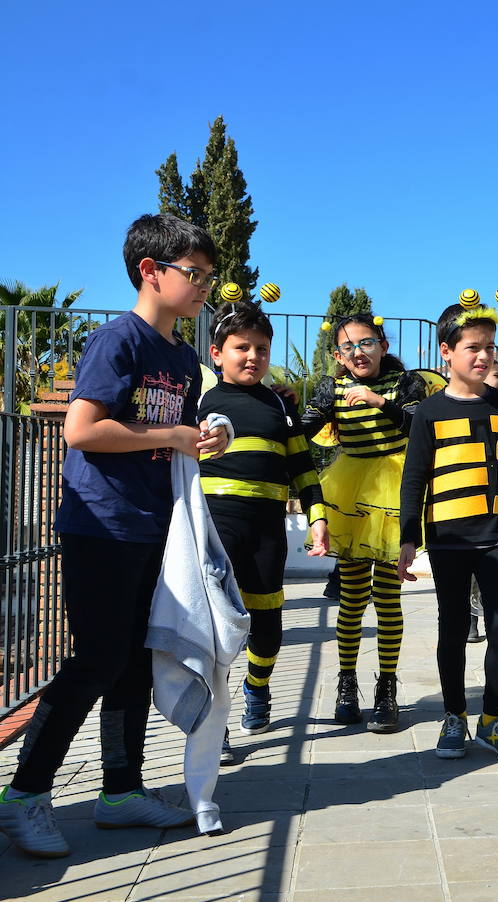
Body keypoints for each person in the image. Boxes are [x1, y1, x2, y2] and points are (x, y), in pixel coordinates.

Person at [0, 214, 230, 858]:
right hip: (101, 524)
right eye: (194, 273)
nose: (204, 284)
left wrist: (206, 438)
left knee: (131, 658)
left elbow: (179, 437)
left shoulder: (184, 357)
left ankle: (120, 791)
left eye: (209, 275)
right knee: (98, 659)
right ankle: (23, 795)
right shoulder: (117, 341)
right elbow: (82, 430)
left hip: (156, 526)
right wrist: (171, 435)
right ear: (150, 272)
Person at [398, 305, 498, 763]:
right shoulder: (428, 412)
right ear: (447, 352)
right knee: (453, 626)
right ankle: (454, 717)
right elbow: (414, 477)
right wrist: (408, 538)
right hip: (448, 538)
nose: (483, 357)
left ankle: (493, 719)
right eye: (472, 348)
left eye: (488, 348)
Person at [198, 301, 329, 751]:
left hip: (267, 531)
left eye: (261, 348)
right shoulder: (200, 399)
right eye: (241, 347)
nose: (252, 356)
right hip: (216, 528)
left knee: (267, 624)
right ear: (217, 353)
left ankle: (257, 687)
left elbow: (303, 467)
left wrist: (318, 518)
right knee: (218, 630)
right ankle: (218, 723)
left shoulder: (279, 403)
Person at [301, 314, 429, 733]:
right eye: (348, 346)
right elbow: (305, 428)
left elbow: (419, 426)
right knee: (353, 599)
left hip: (394, 492)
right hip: (350, 493)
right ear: (337, 354)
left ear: (382, 345)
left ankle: (387, 688)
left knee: (388, 597)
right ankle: (346, 682)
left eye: (366, 343)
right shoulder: (330, 387)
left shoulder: (406, 383)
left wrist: (379, 402)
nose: (358, 352)